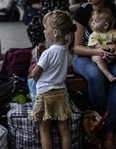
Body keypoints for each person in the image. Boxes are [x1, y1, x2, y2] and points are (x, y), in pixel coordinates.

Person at [72, 0, 116, 149]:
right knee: (95, 74)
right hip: (84, 58)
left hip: (111, 58)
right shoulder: (82, 11)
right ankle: (103, 128)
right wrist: (98, 50)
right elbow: (76, 47)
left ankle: (109, 131)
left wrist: (114, 53)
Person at [29, 10, 75, 149]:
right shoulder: (67, 51)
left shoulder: (48, 53)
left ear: (55, 33)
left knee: (44, 129)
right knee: (64, 129)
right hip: (61, 93)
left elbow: (34, 73)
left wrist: (33, 74)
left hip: (45, 95)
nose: (44, 31)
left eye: (45, 28)